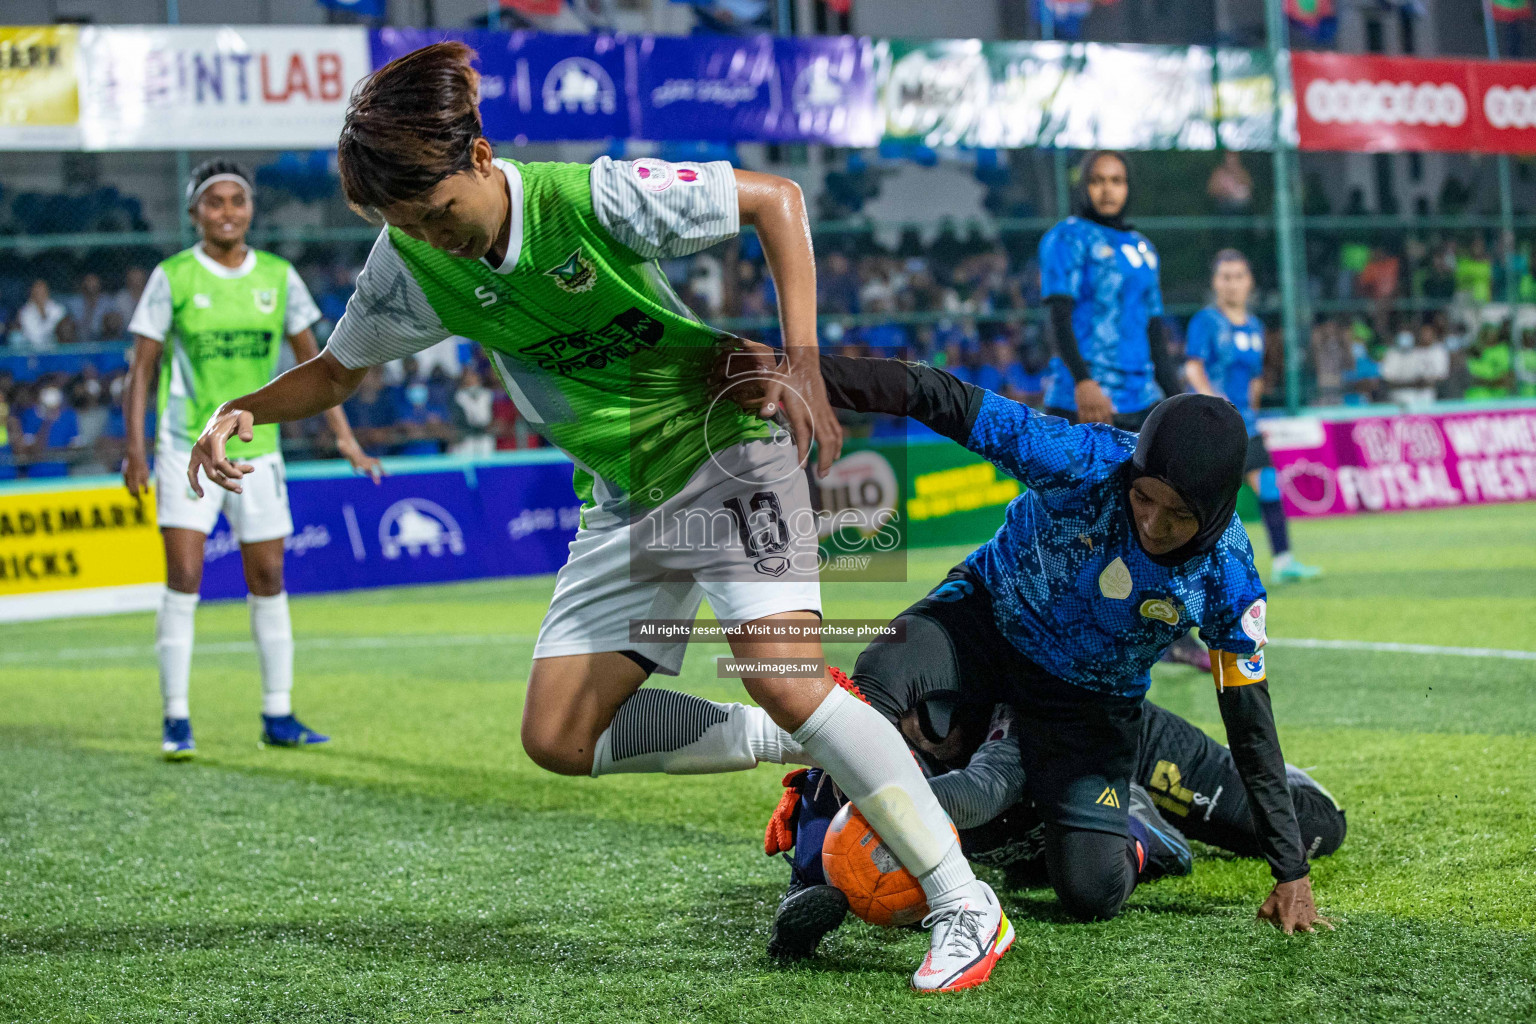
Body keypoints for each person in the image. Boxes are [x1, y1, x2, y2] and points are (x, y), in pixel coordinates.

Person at [185, 42, 1010, 993]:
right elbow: (336, 370)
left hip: (724, 442)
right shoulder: (408, 255)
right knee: (560, 737)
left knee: (784, 676)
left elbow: (774, 199)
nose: (430, 236)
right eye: (405, 222)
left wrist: (803, 361)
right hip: (624, 495)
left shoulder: (594, 198)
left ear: (483, 159)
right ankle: (808, 734)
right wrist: (238, 405)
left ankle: (964, 904)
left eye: (439, 211)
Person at [721, 344, 1330, 936]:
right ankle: (811, 875)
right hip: (988, 618)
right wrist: (798, 370)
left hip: (1089, 700)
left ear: (1218, 512)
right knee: (882, 670)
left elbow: (1247, 714)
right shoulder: (1083, 460)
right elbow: (938, 396)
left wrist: (1290, 871)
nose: (1152, 521)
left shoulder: (1230, 577)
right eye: (1144, 497)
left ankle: (1135, 821)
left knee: (1090, 893)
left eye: (1179, 515)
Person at [763, 673, 1347, 960]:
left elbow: (986, 789)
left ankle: (1144, 826)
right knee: (1071, 869)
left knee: (1318, 828)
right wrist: (812, 892)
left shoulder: (1014, 709)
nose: (899, 734)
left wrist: (886, 798)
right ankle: (1110, 834)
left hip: (1114, 741)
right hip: (1038, 829)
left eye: (915, 726)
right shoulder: (871, 721)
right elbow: (818, 833)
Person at [121, 159, 383, 762]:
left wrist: (344, 438)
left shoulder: (279, 277)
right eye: (215, 202)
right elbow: (143, 368)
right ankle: (177, 719)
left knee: (268, 580)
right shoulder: (173, 277)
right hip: (184, 447)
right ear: (194, 213)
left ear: (251, 210)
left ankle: (278, 712)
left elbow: (323, 370)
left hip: (258, 452)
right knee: (184, 578)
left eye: (238, 201)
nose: (228, 211)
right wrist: (135, 448)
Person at [1038, 150, 1207, 670]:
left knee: (1161, 521)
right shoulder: (1066, 238)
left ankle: (1170, 632)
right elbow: (1059, 318)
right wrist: (1084, 380)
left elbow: (1156, 330)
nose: (1107, 189)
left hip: (1141, 402)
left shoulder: (1141, 247)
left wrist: (1179, 396)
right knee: (1075, 524)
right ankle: (1055, 632)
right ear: (1082, 186)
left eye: (1116, 180)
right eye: (1097, 180)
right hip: (1083, 402)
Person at [1185, 251, 1321, 585]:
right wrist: (1212, 399)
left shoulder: (1256, 326)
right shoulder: (1205, 321)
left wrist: (1253, 411)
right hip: (1213, 425)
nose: (1232, 284)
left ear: (1250, 282)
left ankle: (1284, 560)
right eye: (1225, 277)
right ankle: (1193, 570)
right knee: (1207, 502)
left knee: (1270, 485)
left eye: (1238, 276)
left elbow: (1256, 375)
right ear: (1215, 283)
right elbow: (1193, 365)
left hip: (1245, 423)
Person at [13, 279, 68, 351]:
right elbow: (32, 336)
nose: (40, 294)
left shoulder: (58, 309)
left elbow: (62, 333)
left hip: (56, 350)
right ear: (31, 293)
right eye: (37, 292)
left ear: (47, 292)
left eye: (42, 291)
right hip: (32, 351)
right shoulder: (24, 313)